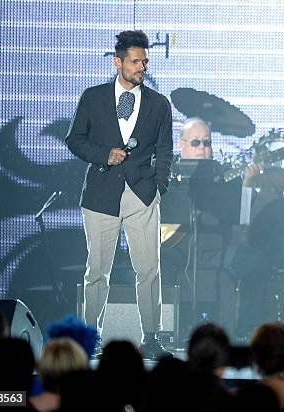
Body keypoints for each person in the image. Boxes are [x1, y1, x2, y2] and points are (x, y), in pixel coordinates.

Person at [65, 30, 173, 360]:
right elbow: (75, 139)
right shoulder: (93, 97)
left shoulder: (158, 103)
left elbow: (165, 149)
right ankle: (90, 337)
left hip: (142, 194)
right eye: (135, 61)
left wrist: (159, 186)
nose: (142, 67)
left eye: (145, 61)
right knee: (97, 270)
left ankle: (151, 337)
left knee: (149, 269)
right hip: (101, 193)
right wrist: (103, 155)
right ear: (118, 62)